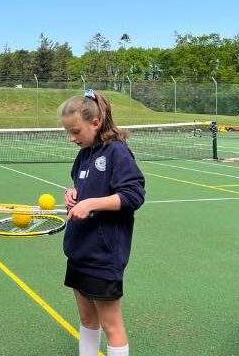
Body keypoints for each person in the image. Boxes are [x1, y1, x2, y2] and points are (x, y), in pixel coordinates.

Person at [59, 89, 145, 356]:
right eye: (68, 132)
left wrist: (91, 203)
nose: (72, 138)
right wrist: (73, 194)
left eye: (76, 131)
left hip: (103, 255)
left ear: (95, 123)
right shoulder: (85, 152)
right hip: (79, 250)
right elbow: (80, 184)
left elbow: (133, 194)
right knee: (87, 320)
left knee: (112, 325)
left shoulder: (117, 152)